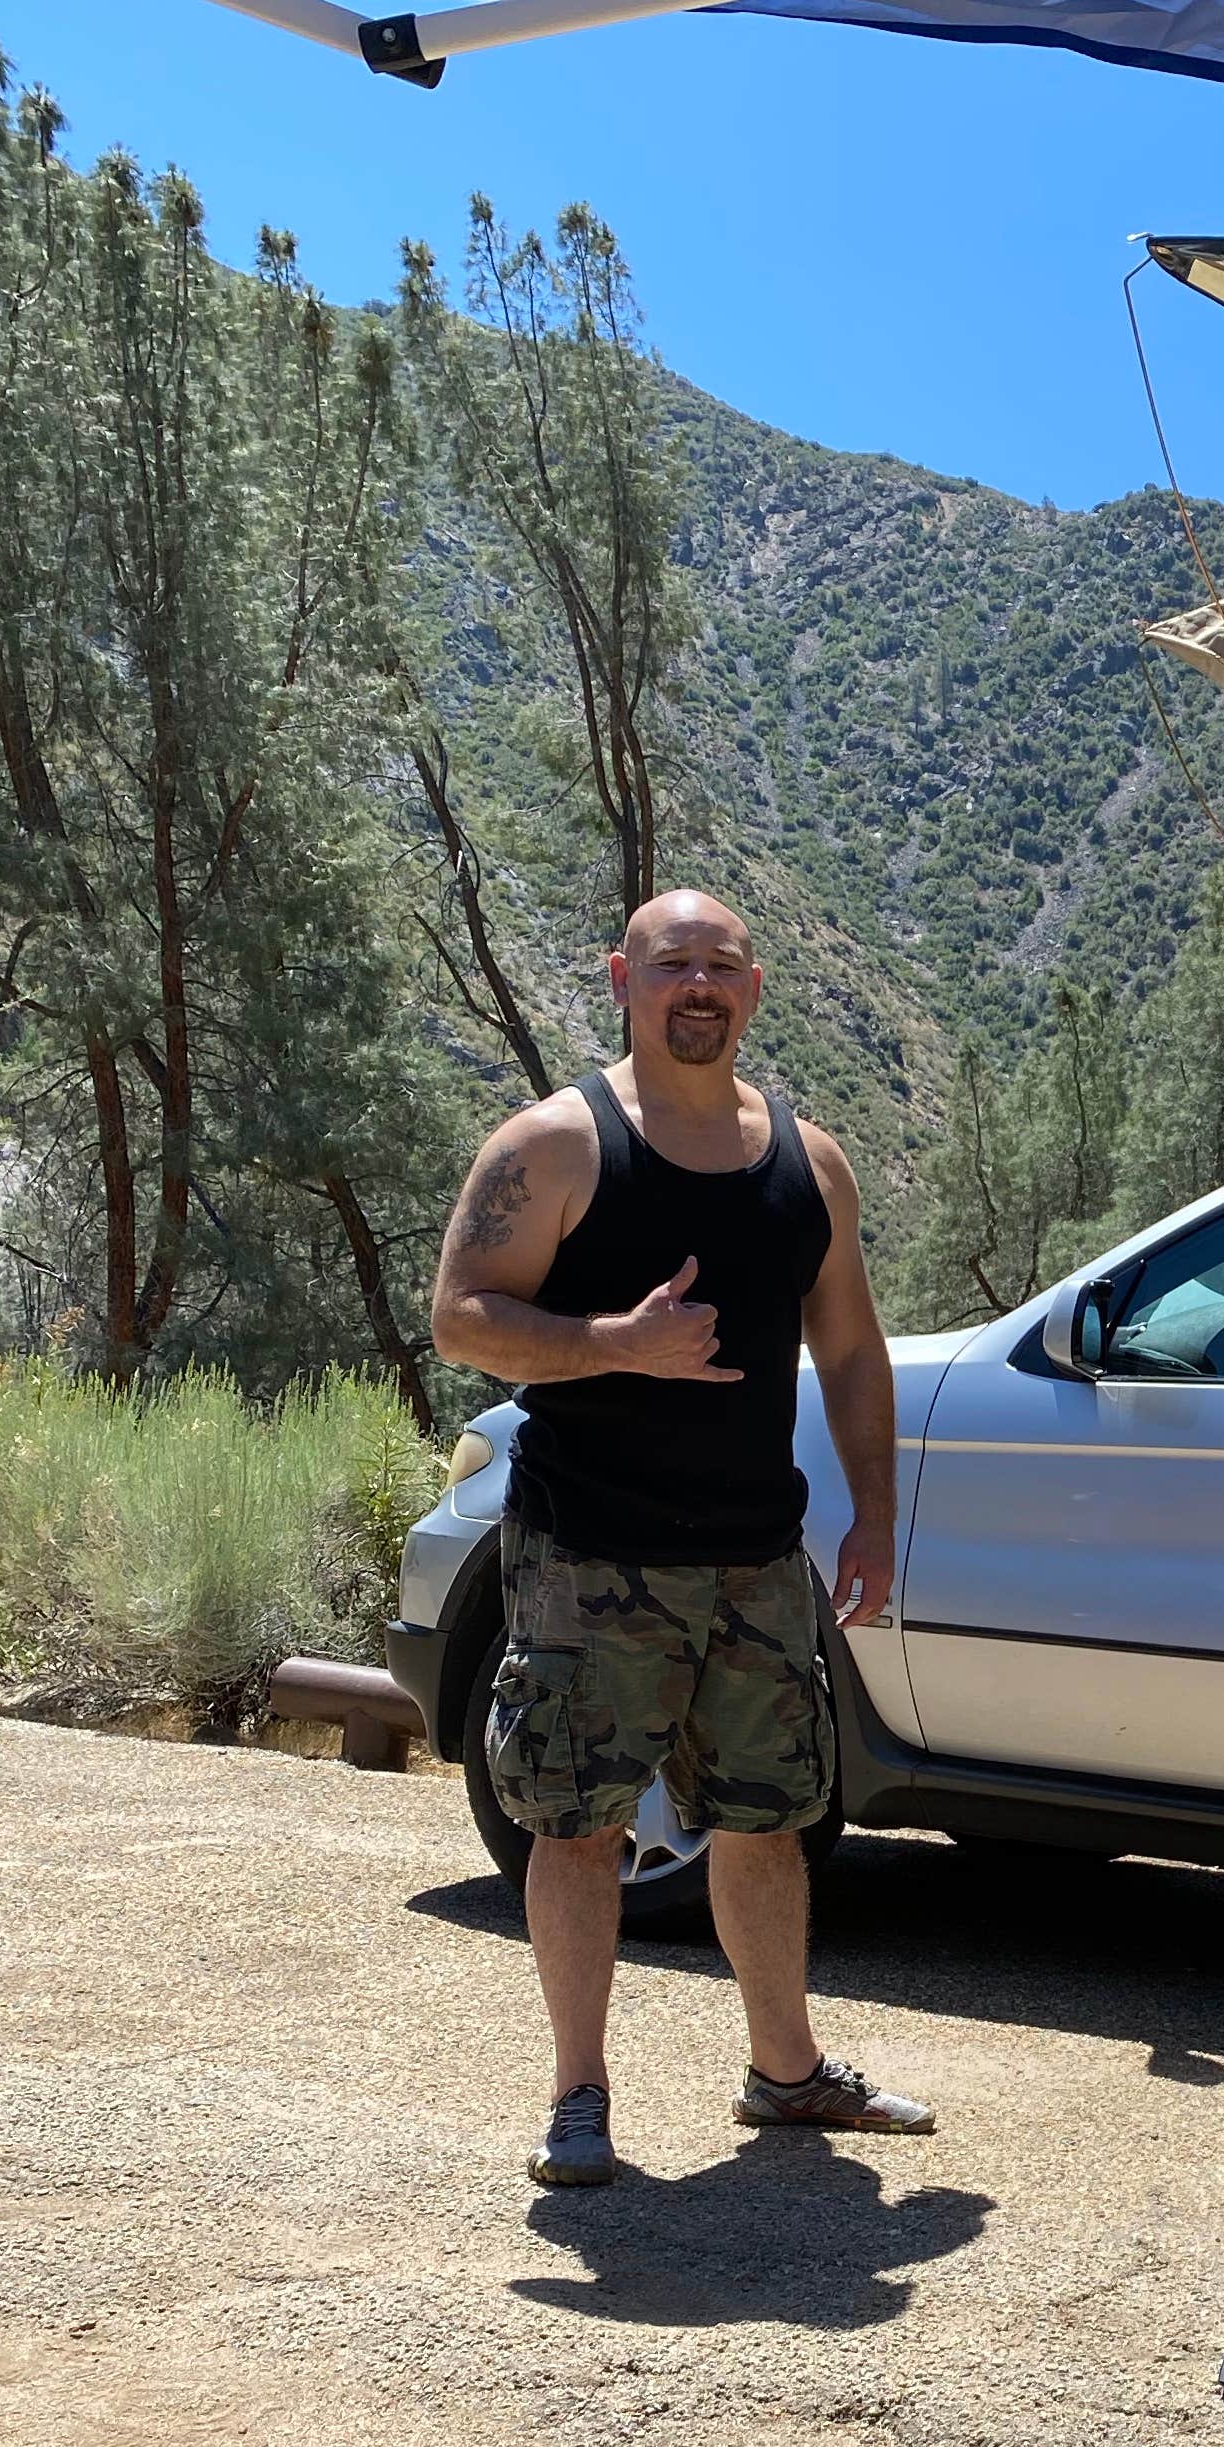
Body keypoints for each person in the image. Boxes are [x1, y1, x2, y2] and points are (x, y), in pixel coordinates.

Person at [430, 889, 934, 2187]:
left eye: (720, 964)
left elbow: (852, 1349)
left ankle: (785, 2073)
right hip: (588, 1556)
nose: (697, 984)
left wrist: (875, 1513)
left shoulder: (809, 1164)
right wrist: (617, 1345)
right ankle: (578, 2096)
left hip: (757, 1557)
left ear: (752, 989)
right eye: (672, 964)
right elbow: (463, 1315)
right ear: (623, 980)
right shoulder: (557, 1147)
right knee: (577, 1824)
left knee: (769, 1819)